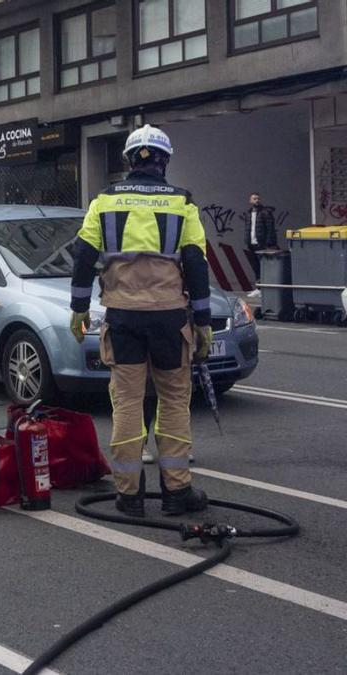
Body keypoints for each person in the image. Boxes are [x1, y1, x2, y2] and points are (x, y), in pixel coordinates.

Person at [69, 124, 211, 518]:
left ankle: (129, 494)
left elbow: (83, 257)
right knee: (174, 401)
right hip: (169, 318)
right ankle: (176, 492)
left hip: (123, 316)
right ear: (164, 161)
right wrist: (202, 321)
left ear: (129, 160)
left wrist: (79, 308)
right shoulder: (182, 203)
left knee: (128, 402)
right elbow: (197, 265)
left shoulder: (104, 201)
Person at [245, 192, 276, 295]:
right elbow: (247, 229)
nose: (256, 200)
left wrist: (269, 242)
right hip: (252, 244)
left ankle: (264, 289)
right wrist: (246, 240)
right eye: (254, 199)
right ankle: (259, 288)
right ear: (250, 201)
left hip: (261, 244)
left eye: (258, 198)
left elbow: (270, 228)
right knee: (256, 266)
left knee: (263, 266)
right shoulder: (249, 213)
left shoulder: (265, 212)